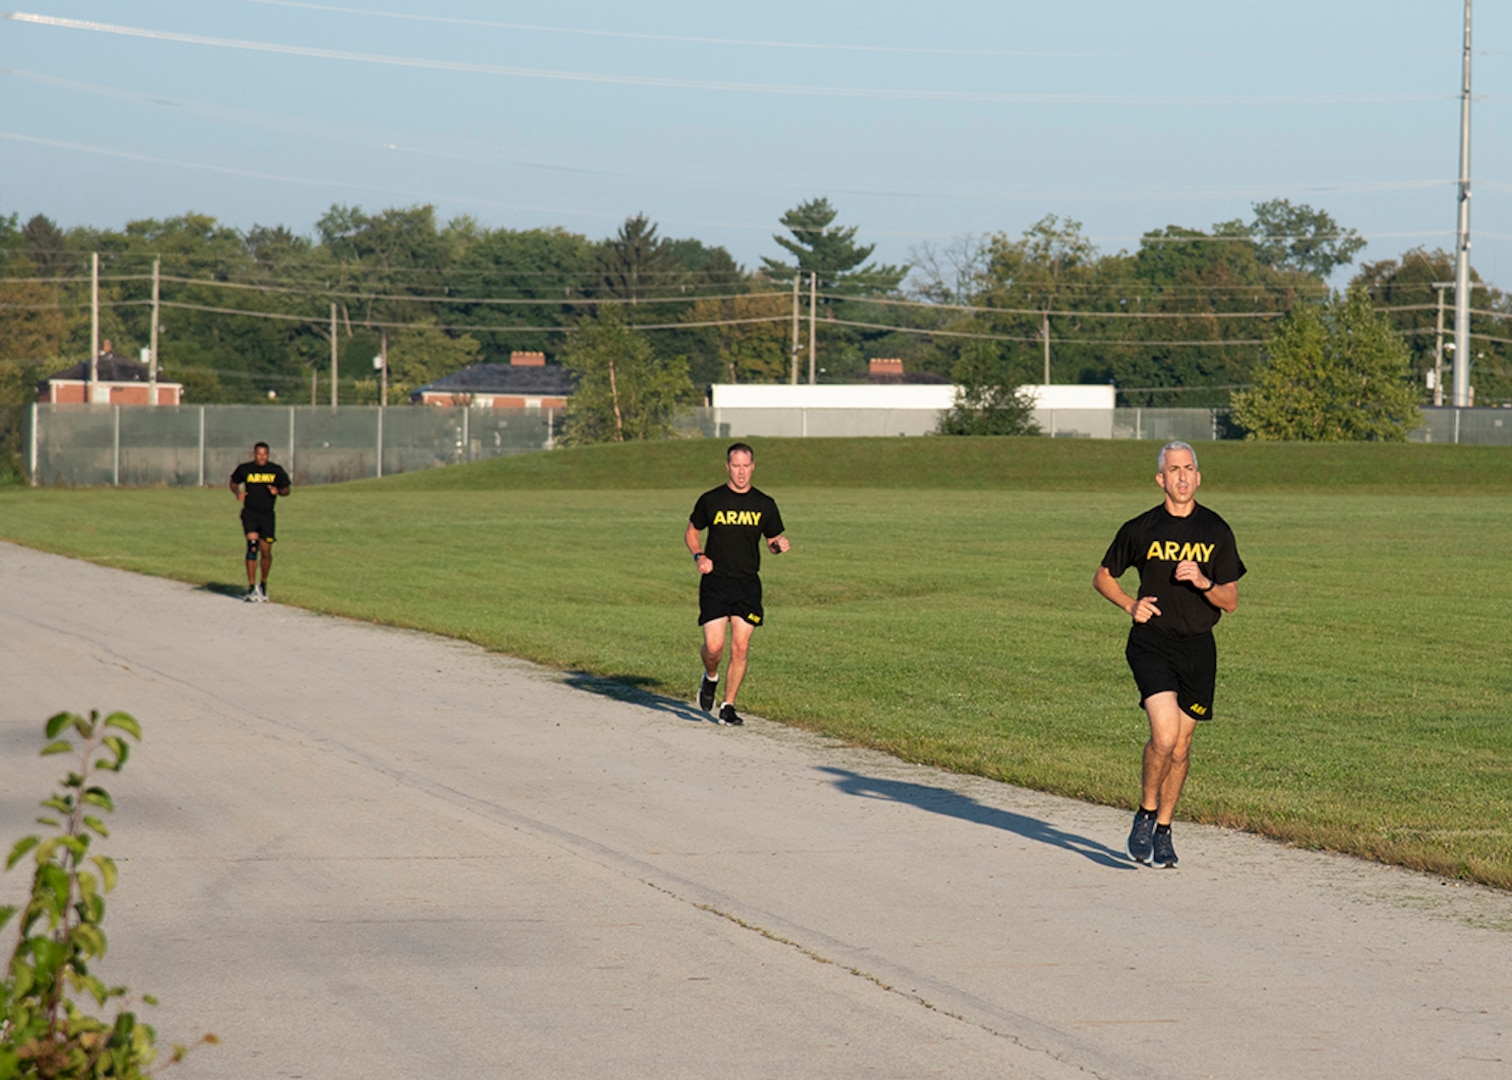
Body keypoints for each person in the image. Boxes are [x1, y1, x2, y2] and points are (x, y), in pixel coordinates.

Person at [1093, 441, 1245, 868]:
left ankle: (1164, 829)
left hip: (1198, 647)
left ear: (1198, 477)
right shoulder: (1141, 528)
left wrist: (1202, 582)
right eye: (1173, 469)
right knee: (1163, 736)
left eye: (1188, 468)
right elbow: (1102, 576)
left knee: (1181, 747)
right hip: (1152, 642)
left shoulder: (1216, 531)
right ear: (1161, 479)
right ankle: (1144, 814)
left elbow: (1230, 601)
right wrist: (1129, 604)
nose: (1181, 476)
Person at [684, 442, 790, 726]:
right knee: (714, 647)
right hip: (716, 583)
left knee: (740, 648)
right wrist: (699, 556)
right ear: (727, 467)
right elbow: (692, 532)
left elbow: (771, 541)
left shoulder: (764, 504)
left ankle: (728, 706)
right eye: (736, 466)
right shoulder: (711, 500)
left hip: (747, 584)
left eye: (746, 466)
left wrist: (778, 545)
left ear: (753, 467)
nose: (741, 472)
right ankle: (710, 677)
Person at [229, 442, 291, 603]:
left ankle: (262, 585)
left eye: (265, 454)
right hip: (250, 514)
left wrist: (277, 491)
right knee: (252, 546)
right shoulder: (245, 469)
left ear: (268, 455)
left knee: (265, 551)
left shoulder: (275, 470)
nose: (262, 457)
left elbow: (287, 489)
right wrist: (238, 493)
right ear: (254, 454)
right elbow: (233, 482)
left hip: (267, 517)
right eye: (259, 454)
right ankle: (250, 588)